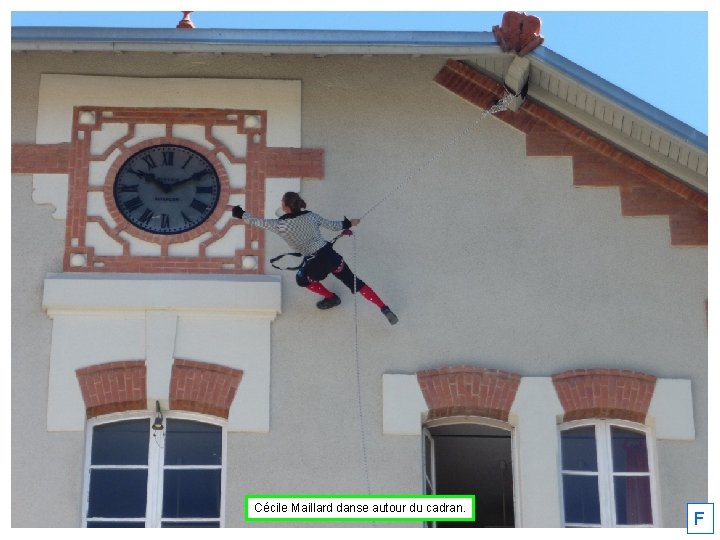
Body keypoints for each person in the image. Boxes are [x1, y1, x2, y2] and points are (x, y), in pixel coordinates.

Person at [231, 192, 398, 325]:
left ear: (286, 207)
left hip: (315, 263)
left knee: (302, 279)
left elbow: (257, 222)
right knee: (354, 281)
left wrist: (238, 212)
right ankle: (383, 307)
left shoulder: (280, 225)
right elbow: (334, 225)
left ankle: (331, 298)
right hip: (331, 256)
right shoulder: (311, 216)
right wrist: (349, 223)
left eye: (282, 203)